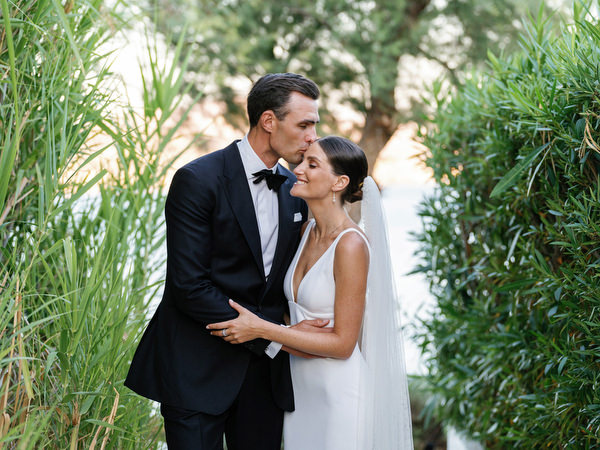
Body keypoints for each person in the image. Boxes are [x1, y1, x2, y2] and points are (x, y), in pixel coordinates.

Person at [125, 73, 329, 450]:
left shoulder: (296, 189)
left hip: (264, 382)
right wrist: (270, 337)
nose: (312, 136)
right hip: (196, 369)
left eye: (314, 125)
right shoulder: (197, 180)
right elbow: (189, 286)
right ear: (269, 121)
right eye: (304, 124)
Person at [207, 136, 414, 449]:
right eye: (302, 161)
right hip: (299, 392)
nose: (298, 169)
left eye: (311, 164)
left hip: (339, 394)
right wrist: (282, 333)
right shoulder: (305, 231)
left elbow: (343, 344)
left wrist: (262, 329)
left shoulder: (351, 245)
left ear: (339, 182)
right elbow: (295, 316)